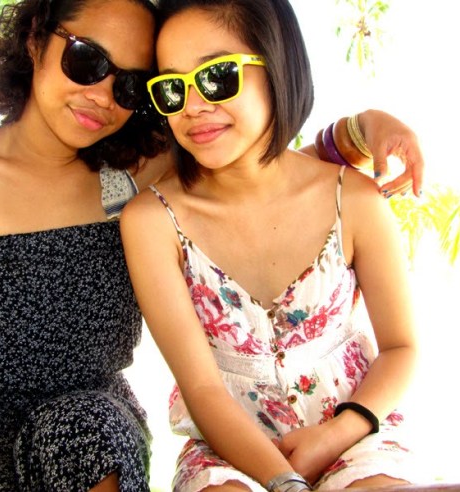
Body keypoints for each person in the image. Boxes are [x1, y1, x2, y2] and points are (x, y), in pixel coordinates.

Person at [0, 0, 423, 490]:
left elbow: (260, 168)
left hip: (92, 422)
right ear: (36, 38)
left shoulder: (136, 170)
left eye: (132, 85)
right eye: (88, 60)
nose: (103, 95)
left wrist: (359, 130)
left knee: (86, 432)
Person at [121, 0, 422, 490]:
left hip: (357, 434)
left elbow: (402, 347)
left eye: (216, 76)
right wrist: (283, 481)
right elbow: (202, 388)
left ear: (277, 65)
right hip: (226, 448)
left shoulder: (354, 199)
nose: (193, 105)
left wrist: (338, 433)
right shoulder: (152, 221)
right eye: (172, 87)